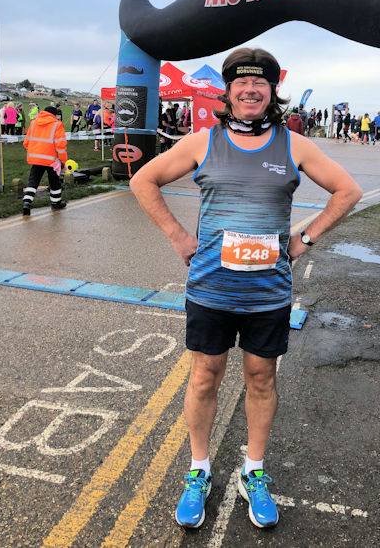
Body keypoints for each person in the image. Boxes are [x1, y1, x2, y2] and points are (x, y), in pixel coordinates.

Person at [130, 47, 362, 530]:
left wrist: (305, 239)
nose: (250, 90)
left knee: (261, 380)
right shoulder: (202, 142)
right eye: (241, 82)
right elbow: (144, 179)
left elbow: (348, 191)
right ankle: (199, 470)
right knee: (203, 378)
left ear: (273, 90)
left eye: (260, 83)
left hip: (268, 294)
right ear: (229, 90)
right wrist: (178, 236)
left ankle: (253, 472)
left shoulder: (293, 145)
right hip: (211, 290)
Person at [22, 105, 67, 215]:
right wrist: (62, 161)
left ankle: (26, 203)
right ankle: (56, 203)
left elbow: (26, 143)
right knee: (54, 182)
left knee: (33, 181)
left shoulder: (33, 123)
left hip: (36, 158)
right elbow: (60, 145)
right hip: (51, 160)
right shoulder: (57, 124)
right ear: (54, 115)